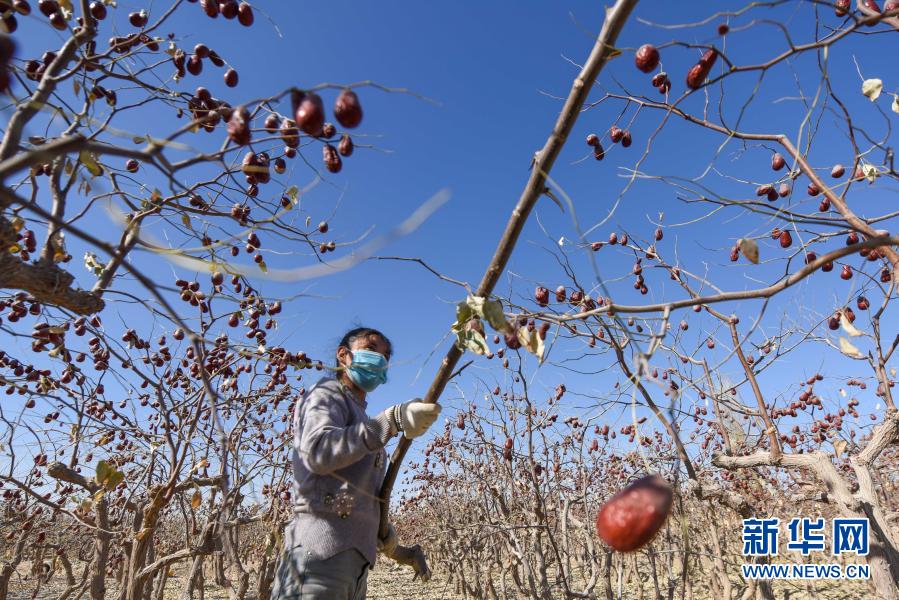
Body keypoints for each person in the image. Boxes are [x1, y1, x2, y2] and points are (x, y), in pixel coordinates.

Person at [272, 327, 442, 599]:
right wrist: (391, 421)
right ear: (344, 355)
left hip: (353, 568)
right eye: (372, 349)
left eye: (386, 355)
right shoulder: (325, 394)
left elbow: (357, 497)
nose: (381, 358)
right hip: (318, 558)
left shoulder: (361, 419)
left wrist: (394, 545)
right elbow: (318, 453)